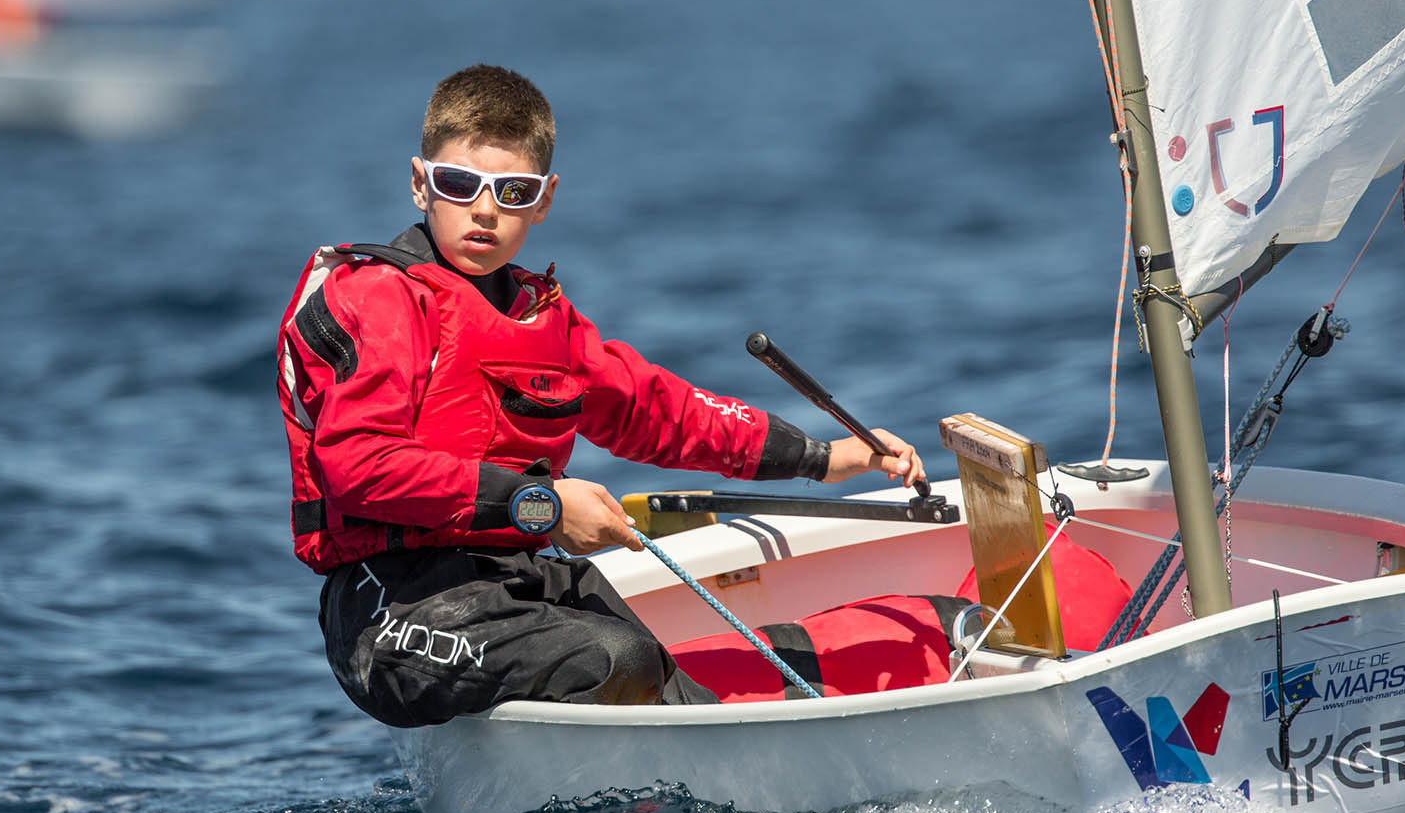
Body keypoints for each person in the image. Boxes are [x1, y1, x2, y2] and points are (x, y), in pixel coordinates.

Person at [277, 64, 924, 728]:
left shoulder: (546, 320)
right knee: (616, 660)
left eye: (513, 190)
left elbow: (661, 411)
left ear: (544, 199)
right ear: (421, 183)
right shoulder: (381, 299)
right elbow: (358, 466)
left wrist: (822, 457)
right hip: (389, 608)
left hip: (507, 579)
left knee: (666, 672)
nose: (485, 208)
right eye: (459, 183)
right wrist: (543, 504)